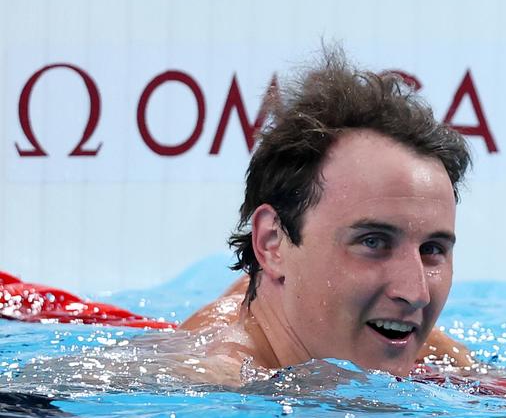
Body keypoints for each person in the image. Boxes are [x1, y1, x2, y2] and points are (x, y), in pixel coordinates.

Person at [180, 50, 474, 385]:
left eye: (432, 249)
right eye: (373, 242)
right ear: (272, 244)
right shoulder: (206, 386)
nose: (416, 293)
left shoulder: (439, 357)